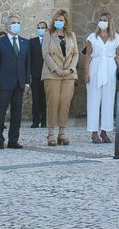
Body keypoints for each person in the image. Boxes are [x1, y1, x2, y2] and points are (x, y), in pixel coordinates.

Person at [0, 14, 29, 149]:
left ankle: (13, 139)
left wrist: (27, 82)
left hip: (19, 83)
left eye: (18, 22)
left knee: (17, 114)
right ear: (6, 26)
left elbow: (26, 64)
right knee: (0, 113)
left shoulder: (24, 42)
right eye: (13, 23)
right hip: (3, 84)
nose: (16, 25)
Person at [41, 9, 78, 146]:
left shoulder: (71, 35)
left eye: (61, 20)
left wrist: (70, 69)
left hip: (68, 74)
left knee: (65, 103)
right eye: (57, 19)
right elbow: (45, 54)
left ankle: (62, 133)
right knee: (53, 103)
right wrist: (56, 69)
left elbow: (75, 54)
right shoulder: (48, 35)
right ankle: (50, 133)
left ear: (66, 22)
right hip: (52, 74)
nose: (59, 22)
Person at [82, 13, 119, 143]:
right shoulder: (92, 37)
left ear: (110, 22)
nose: (102, 22)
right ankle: (94, 132)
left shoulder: (115, 38)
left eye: (104, 20)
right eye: (100, 20)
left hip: (110, 68)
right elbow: (88, 55)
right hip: (95, 68)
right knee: (93, 100)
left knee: (108, 101)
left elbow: (118, 55)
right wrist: (86, 73)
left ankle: (105, 131)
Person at [28, 21, 47, 129]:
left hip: (47, 74)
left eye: (43, 28)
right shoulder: (32, 42)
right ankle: (35, 120)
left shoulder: (50, 42)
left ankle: (45, 120)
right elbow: (29, 58)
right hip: (35, 75)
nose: (41, 29)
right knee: (36, 99)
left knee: (45, 99)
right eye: (39, 28)